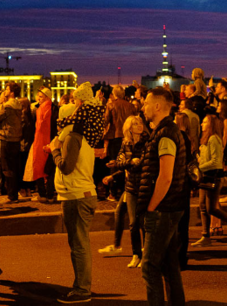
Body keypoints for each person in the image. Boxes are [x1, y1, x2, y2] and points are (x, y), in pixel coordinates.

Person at [138, 87, 188, 306]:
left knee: (149, 266)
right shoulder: (165, 131)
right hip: (171, 206)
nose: (143, 107)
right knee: (169, 264)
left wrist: (151, 208)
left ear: (158, 106)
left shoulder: (166, 134)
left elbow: (165, 177)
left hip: (163, 209)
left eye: (146, 103)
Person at [51, 93, 98, 304]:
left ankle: (82, 290)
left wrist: (54, 152)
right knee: (81, 243)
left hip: (76, 195)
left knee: (78, 245)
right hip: (82, 193)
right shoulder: (83, 135)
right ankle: (83, 285)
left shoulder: (71, 137)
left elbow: (66, 167)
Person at [98, 115, 147, 267]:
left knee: (142, 221)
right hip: (130, 185)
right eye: (135, 124)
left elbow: (139, 164)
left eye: (140, 123)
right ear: (129, 128)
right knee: (132, 222)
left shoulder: (146, 142)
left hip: (144, 185)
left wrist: (124, 165)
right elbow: (123, 163)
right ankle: (136, 254)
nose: (139, 126)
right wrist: (123, 166)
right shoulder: (125, 143)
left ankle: (144, 252)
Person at [191, 114, 227, 247]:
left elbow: (216, 162)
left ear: (211, 125)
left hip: (213, 177)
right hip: (205, 177)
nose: (202, 124)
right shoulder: (206, 139)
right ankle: (205, 236)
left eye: (204, 122)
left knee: (211, 208)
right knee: (203, 207)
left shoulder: (214, 139)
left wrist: (198, 167)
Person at [0, 82, 23, 202]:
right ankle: (14, 192)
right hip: (16, 139)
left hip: (6, 138)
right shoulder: (19, 104)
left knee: (7, 168)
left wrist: (2, 103)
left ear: (11, 92)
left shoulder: (7, 106)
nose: (5, 90)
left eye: (6, 89)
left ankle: (11, 195)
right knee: (15, 167)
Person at [23, 87, 53, 203]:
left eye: (40, 97)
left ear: (46, 97)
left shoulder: (41, 109)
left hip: (40, 141)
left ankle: (42, 194)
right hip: (50, 141)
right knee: (49, 168)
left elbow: (39, 128)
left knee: (39, 166)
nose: (38, 99)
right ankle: (50, 194)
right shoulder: (52, 108)